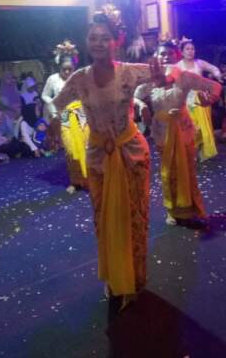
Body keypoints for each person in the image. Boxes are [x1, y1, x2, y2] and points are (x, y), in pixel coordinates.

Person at [51, 15, 168, 309]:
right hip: (98, 158)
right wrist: (52, 124)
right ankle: (114, 277)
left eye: (105, 38)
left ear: (117, 41)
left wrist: (162, 77)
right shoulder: (79, 78)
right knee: (104, 220)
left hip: (131, 154)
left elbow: (164, 76)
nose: (99, 43)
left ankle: (135, 278)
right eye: (93, 38)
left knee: (135, 218)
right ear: (86, 42)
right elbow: (56, 104)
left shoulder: (129, 72)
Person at [135, 41, 221, 226]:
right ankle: (171, 210)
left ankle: (190, 208)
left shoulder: (185, 76)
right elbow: (134, 96)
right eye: (162, 53)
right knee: (168, 171)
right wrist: (141, 106)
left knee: (187, 169)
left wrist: (208, 100)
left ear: (177, 55)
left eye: (170, 53)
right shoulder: (150, 78)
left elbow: (215, 87)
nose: (166, 57)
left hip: (183, 128)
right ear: (156, 57)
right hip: (161, 130)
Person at [43, 41, 89, 192]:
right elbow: (45, 95)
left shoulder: (79, 77)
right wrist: (53, 107)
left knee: (85, 147)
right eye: (64, 69)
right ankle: (75, 181)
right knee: (70, 149)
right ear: (59, 67)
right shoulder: (53, 79)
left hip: (81, 115)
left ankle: (89, 178)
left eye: (70, 69)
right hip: (64, 116)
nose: (68, 72)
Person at [175, 37, 221, 162]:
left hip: (201, 99)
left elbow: (214, 68)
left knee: (203, 128)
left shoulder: (199, 63)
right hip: (186, 100)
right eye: (187, 49)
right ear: (182, 51)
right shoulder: (178, 66)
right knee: (191, 127)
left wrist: (217, 75)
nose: (190, 51)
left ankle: (201, 150)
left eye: (192, 49)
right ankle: (191, 151)